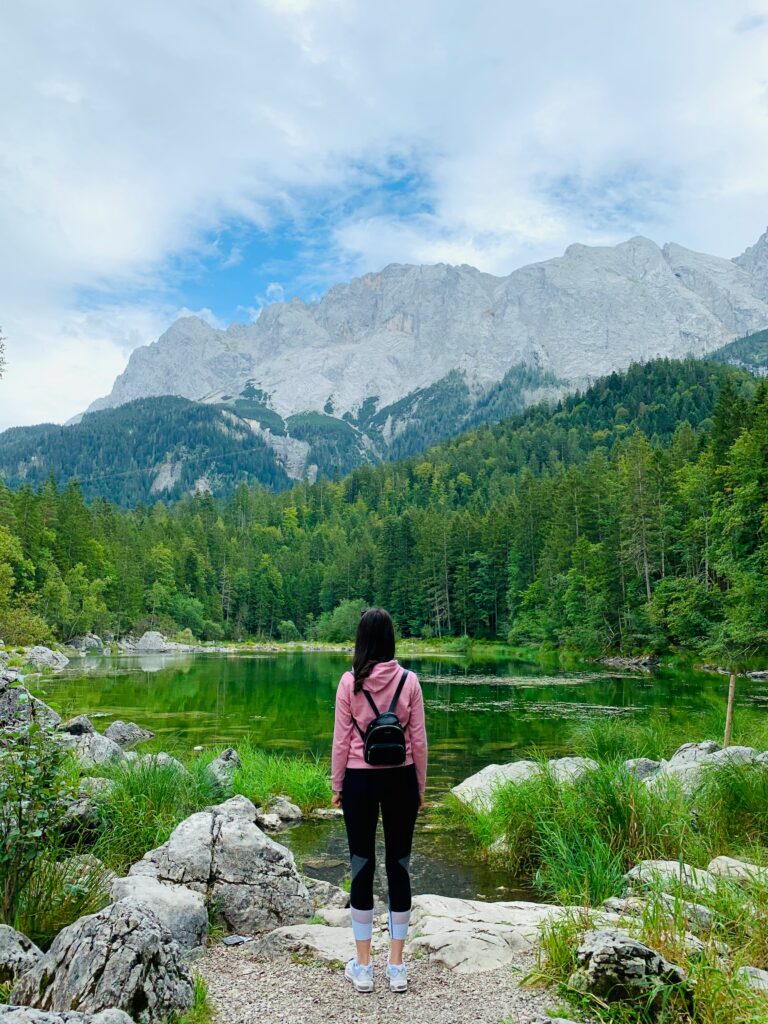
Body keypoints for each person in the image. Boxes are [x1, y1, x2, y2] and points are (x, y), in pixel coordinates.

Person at [331, 607, 428, 993]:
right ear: (390, 640)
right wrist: (420, 787)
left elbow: (341, 741)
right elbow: (418, 741)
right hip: (401, 780)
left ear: (362, 641)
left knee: (361, 865)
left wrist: (337, 785)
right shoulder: (410, 681)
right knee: (399, 866)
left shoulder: (348, 683)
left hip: (359, 780)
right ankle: (397, 967)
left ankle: (364, 967)